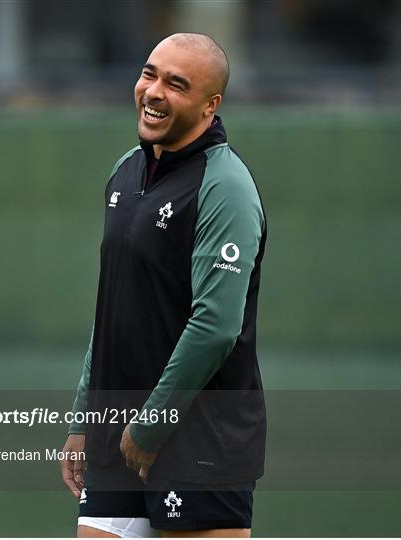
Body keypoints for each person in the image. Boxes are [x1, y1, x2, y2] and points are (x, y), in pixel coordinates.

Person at [60, 32, 267, 538]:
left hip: (200, 443)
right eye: (149, 73)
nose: (154, 91)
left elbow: (216, 327)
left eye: (177, 84)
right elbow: (111, 307)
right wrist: (83, 416)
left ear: (209, 105)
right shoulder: (125, 173)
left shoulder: (226, 186)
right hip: (115, 439)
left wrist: (151, 427)